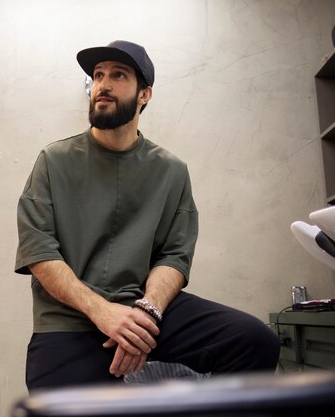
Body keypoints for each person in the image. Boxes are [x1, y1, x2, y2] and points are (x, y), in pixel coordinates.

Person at [15, 40, 280, 391]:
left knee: (255, 341)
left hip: (145, 309)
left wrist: (148, 311)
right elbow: (39, 250)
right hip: (69, 320)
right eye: (98, 75)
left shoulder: (171, 170)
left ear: (145, 95)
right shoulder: (54, 159)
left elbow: (175, 254)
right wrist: (103, 312)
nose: (103, 85)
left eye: (118, 75)